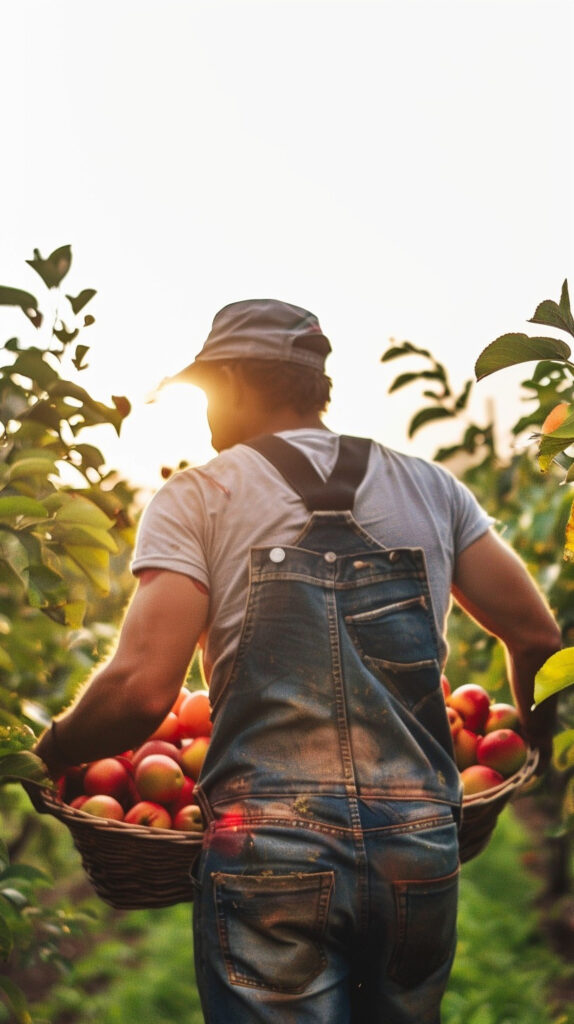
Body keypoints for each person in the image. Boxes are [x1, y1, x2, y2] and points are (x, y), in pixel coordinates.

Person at [34, 298, 561, 1023]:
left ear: (238, 384)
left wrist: (51, 750)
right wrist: (533, 749)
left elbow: (140, 689)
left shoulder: (200, 496)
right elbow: (536, 639)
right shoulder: (433, 490)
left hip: (269, 851)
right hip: (419, 848)